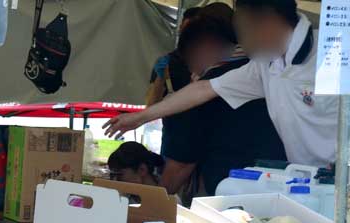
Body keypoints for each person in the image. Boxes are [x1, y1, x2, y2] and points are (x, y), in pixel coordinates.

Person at [107, 0, 337, 168]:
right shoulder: (264, 65)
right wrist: (142, 116)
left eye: (244, 29)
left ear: (266, 21)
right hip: (306, 181)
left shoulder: (333, 52)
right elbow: (204, 89)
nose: (241, 42)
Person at [159, 14, 287, 199]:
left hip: (231, 196)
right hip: (285, 187)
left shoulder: (199, 93)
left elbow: (181, 164)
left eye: (191, 63)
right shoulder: (272, 73)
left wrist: (153, 203)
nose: (193, 72)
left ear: (204, 48)